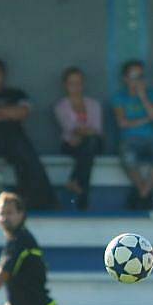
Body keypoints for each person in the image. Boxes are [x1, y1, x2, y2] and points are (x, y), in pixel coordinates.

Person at [0, 57, 57, 210]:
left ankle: (36, 203)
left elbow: (22, 112)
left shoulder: (16, 94)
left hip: (12, 139)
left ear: (4, 75)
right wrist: (8, 113)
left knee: (28, 157)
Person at [112, 60, 153, 210]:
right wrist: (145, 119)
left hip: (150, 139)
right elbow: (122, 123)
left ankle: (143, 193)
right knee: (128, 157)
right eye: (134, 77)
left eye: (140, 77)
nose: (138, 81)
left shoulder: (151, 94)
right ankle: (144, 193)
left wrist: (143, 96)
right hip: (129, 139)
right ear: (125, 79)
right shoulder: (119, 97)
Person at [54, 67, 103, 210]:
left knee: (89, 145)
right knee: (87, 154)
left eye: (78, 83)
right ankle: (82, 200)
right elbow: (70, 128)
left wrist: (82, 133)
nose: (75, 87)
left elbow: (97, 129)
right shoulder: (61, 106)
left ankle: (74, 181)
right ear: (65, 85)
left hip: (91, 142)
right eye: (71, 83)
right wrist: (83, 132)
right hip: (71, 144)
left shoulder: (93, 104)